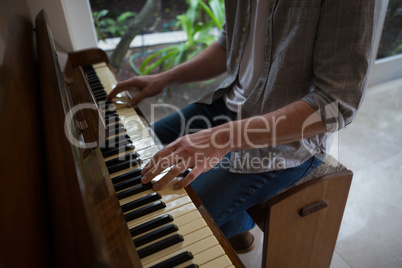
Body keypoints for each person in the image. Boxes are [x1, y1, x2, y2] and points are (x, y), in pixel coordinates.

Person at [107, 0, 377, 252]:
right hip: (223, 105)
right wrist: (164, 79)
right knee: (128, 158)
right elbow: (228, 46)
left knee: (162, 220)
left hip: (286, 141)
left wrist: (220, 139)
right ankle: (233, 225)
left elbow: (338, 103)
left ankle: (236, 223)